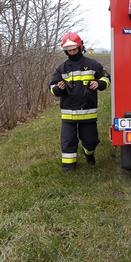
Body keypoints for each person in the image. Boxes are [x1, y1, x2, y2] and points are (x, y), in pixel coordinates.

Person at [49, 32, 110, 170]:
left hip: (88, 113)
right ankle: (68, 168)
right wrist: (59, 88)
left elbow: (106, 78)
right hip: (68, 114)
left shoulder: (93, 65)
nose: (71, 52)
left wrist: (99, 84)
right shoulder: (61, 68)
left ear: (80, 47)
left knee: (91, 141)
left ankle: (89, 154)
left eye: (74, 49)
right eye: (69, 50)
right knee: (68, 141)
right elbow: (52, 88)